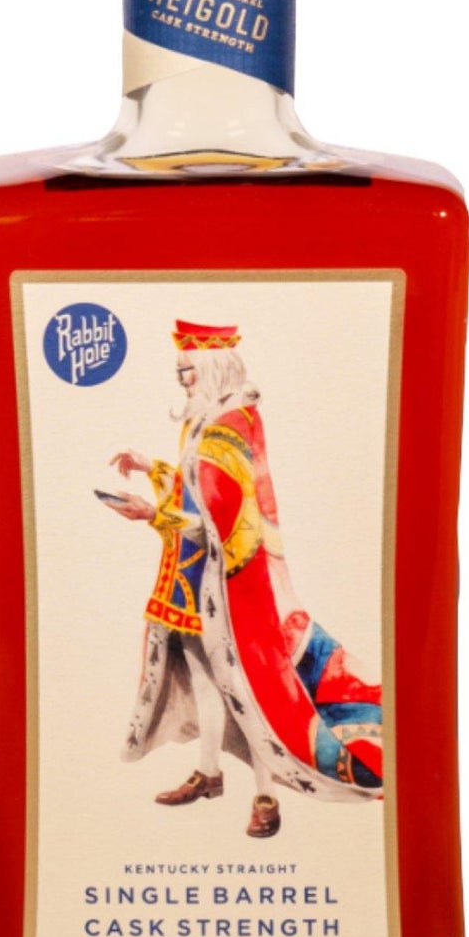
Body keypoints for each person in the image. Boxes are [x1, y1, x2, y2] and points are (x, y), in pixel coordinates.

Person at [104, 320, 383, 839]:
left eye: (187, 371)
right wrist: (152, 468)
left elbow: (218, 520)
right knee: (205, 680)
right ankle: (210, 773)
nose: (182, 381)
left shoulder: (228, 427)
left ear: (211, 368)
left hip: (228, 584)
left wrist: (151, 514)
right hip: (191, 576)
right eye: (179, 372)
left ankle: (266, 797)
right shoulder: (207, 418)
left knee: (248, 692)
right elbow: (194, 491)